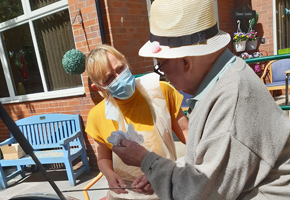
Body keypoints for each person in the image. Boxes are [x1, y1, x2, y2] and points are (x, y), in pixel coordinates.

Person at [112, 0, 290, 199]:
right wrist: (163, 173)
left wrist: (147, 161)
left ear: (186, 62)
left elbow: (198, 193)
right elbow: (207, 159)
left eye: (161, 66)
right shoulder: (224, 78)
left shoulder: (231, 100)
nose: (164, 76)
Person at [85, 44, 189, 199]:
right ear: (98, 87)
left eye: (120, 69)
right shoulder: (97, 116)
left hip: (166, 187)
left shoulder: (161, 91)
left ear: (125, 62)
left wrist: (163, 172)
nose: (119, 77)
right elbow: (103, 158)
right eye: (108, 78)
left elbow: (190, 136)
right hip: (124, 195)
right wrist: (109, 174)